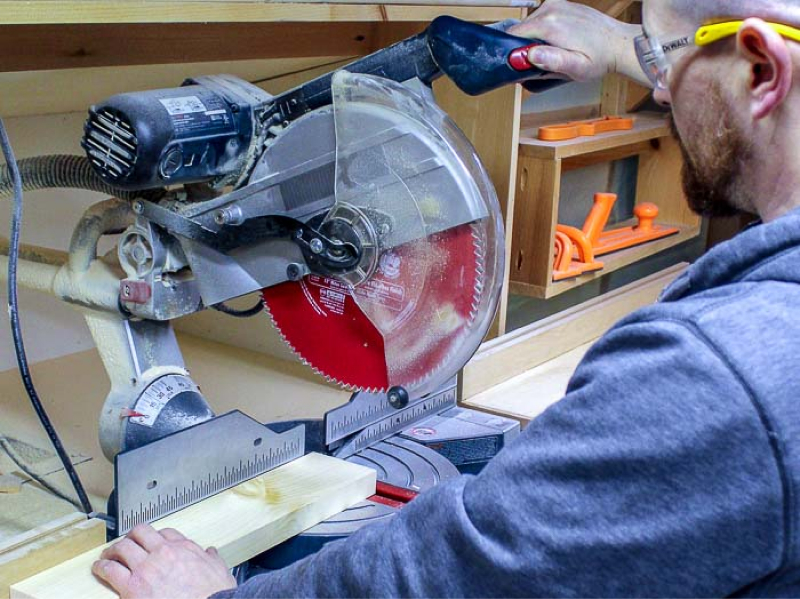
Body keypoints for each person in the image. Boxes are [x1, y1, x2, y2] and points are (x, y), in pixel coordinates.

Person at [91, 0, 800, 596]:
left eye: (669, 63)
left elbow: (461, 569)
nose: (664, 91)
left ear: (763, 70)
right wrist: (623, 45)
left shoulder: (721, 372)